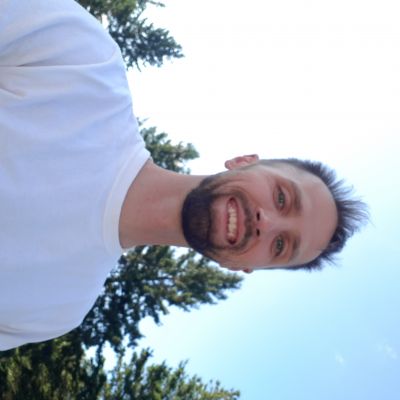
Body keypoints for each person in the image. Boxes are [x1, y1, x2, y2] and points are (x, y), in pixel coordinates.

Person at [0, 0, 367, 350]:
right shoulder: (85, 66)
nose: (266, 223)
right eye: (282, 197)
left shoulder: (56, 309)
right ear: (245, 161)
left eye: (280, 246)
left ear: (242, 266)